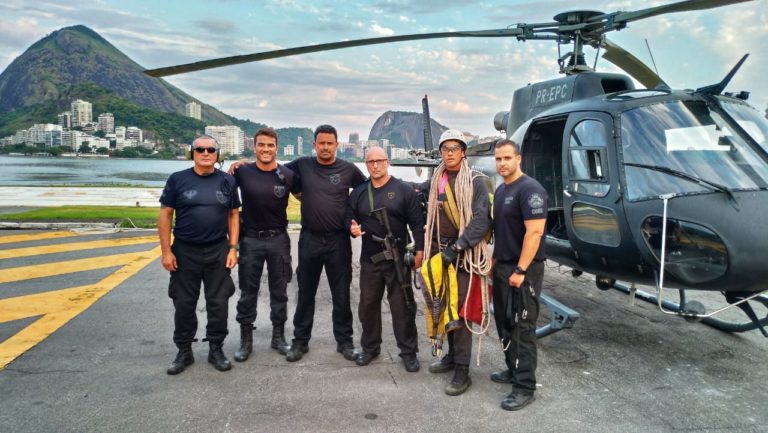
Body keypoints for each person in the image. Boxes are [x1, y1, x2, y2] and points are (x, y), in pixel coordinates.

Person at [284, 124, 367, 362]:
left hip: (338, 241)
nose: (326, 147)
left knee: (341, 295)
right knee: (305, 292)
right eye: (321, 143)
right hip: (309, 239)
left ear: (337, 145)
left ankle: (345, 342)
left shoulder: (348, 169)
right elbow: (271, 170)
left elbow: (366, 192)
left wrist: (354, 219)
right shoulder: (303, 164)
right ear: (315, 145)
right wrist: (241, 165)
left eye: (330, 143)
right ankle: (300, 342)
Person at [158, 135, 240, 375]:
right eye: (200, 149)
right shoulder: (177, 180)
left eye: (211, 149)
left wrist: (233, 248)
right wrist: (166, 251)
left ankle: (216, 348)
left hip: (218, 250)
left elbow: (233, 215)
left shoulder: (227, 181)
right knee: (183, 303)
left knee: (219, 303)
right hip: (185, 251)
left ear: (217, 154)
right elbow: (165, 215)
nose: (205, 153)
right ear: (191, 153)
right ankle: (184, 351)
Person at [422, 129, 492, 396]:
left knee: (460, 313)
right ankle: (451, 357)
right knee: (444, 307)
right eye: (445, 149)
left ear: (464, 152)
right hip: (440, 254)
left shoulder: (475, 181)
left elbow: (481, 221)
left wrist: (458, 248)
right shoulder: (438, 179)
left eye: (454, 148)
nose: (449, 153)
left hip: (464, 255)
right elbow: (430, 212)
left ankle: (463, 371)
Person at [345, 146, 424, 372]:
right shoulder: (359, 192)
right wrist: (350, 227)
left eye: (380, 160)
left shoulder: (403, 190)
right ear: (366, 165)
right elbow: (348, 216)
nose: (376, 165)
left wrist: (419, 251)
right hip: (370, 259)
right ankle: (370, 348)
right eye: (371, 162)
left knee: (403, 307)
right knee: (367, 305)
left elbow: (417, 223)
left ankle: (408, 352)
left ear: (388, 162)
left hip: (397, 259)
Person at [232, 127, 299, 362]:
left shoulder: (287, 175)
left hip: (279, 240)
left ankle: (278, 337)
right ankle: (245, 340)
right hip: (250, 239)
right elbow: (224, 195)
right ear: (254, 147)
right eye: (261, 145)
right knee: (247, 292)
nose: (266, 149)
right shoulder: (242, 172)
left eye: (270, 145)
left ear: (276, 148)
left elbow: (306, 195)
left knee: (279, 291)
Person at [491, 139, 547, 411]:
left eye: (506, 158)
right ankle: (512, 370)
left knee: (523, 328)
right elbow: (502, 231)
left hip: (523, 269)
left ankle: (525, 386)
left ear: (518, 159)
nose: (502, 163)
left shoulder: (530, 190)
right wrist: (493, 261)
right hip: (502, 267)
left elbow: (534, 233)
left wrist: (521, 269)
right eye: (498, 159)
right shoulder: (502, 191)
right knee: (504, 323)